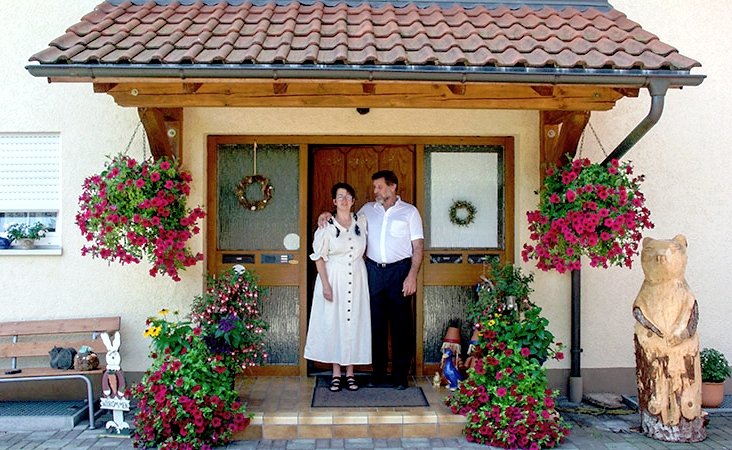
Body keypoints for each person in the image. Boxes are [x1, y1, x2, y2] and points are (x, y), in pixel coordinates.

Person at [319, 170, 424, 390]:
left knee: (401, 325)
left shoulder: (410, 212)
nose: (375, 191)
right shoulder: (367, 210)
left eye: (379, 187)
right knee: (374, 324)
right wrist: (326, 215)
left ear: (393, 187)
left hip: (400, 271)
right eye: (374, 187)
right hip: (373, 271)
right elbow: (345, 220)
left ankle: (399, 376)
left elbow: (418, 247)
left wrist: (412, 275)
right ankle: (377, 374)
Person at [304, 182, 371, 392]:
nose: (344, 200)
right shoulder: (327, 226)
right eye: (340, 196)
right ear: (334, 201)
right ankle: (335, 373)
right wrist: (326, 285)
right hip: (334, 278)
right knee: (334, 322)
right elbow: (319, 257)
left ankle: (350, 373)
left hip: (357, 278)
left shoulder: (362, 220)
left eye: (348, 196)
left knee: (354, 323)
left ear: (353, 200)